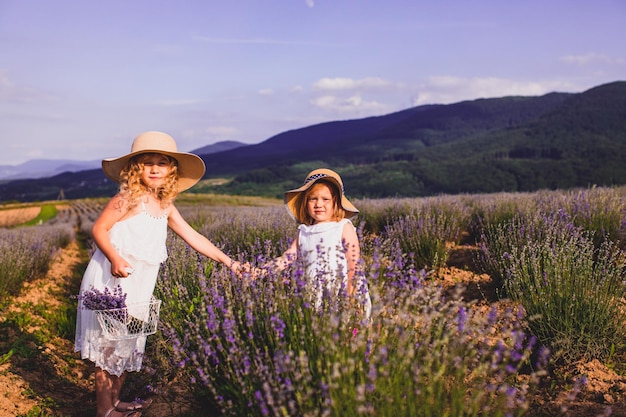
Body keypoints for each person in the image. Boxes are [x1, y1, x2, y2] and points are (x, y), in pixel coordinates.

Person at [74, 131, 244, 417]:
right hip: (113, 281)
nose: (154, 168)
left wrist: (230, 262)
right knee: (108, 349)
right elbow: (98, 229)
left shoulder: (165, 206)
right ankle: (104, 410)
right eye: (147, 162)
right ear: (135, 168)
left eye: (162, 162)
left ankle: (116, 402)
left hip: (141, 286)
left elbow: (194, 236)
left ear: (171, 171)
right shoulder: (126, 198)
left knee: (128, 346)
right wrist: (114, 257)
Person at [272, 168, 371, 318]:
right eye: (313, 199)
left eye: (325, 199)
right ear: (306, 202)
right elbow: (288, 257)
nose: (318, 204)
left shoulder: (343, 227)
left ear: (336, 202)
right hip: (313, 294)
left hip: (342, 293)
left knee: (347, 334)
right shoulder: (304, 231)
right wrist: (262, 270)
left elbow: (354, 265)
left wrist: (351, 297)